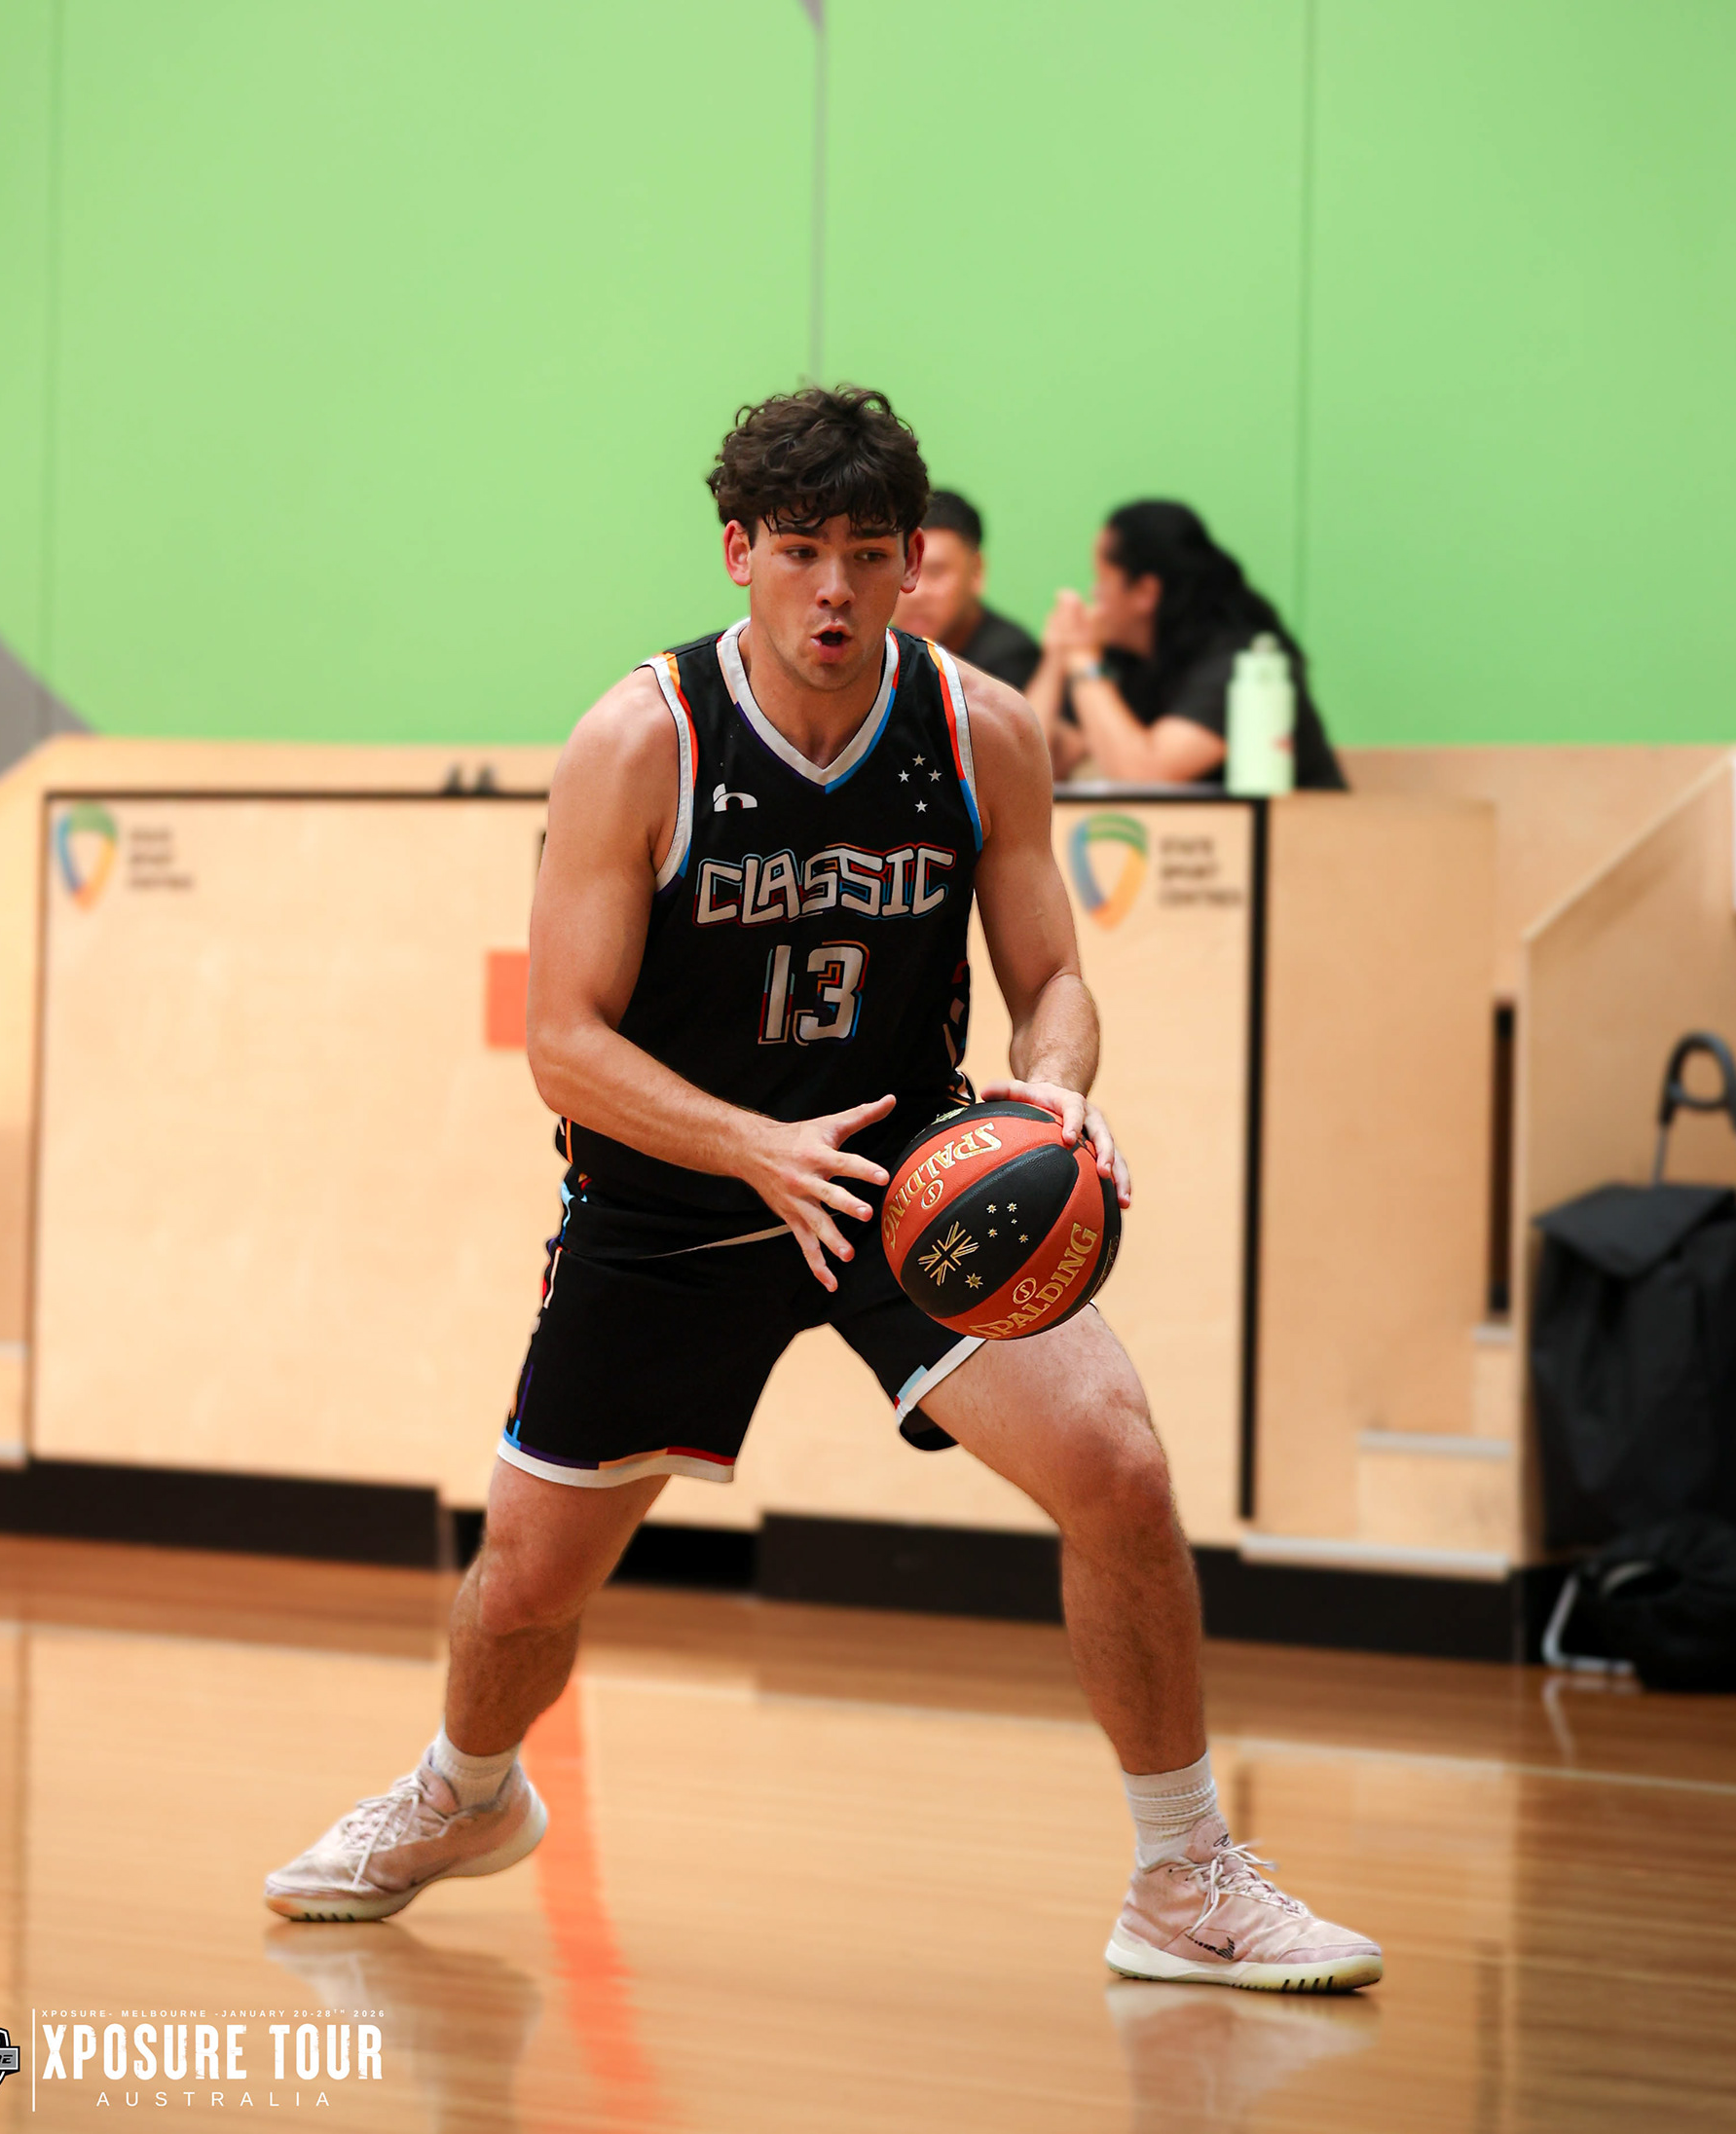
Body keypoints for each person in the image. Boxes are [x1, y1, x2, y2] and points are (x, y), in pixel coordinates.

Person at [264, 387, 1381, 1994]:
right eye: (801, 552)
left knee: (1119, 1466)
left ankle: (1184, 1874)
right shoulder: (641, 740)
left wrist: (1053, 1089)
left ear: (917, 561)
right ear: (739, 553)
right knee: (522, 1590)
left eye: (870, 552)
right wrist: (748, 1145)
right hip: (673, 1202)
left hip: (902, 1184)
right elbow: (564, 1043)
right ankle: (465, 1794)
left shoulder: (983, 729)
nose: (837, 590)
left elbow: (1054, 980)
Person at [1031, 500, 1347, 790]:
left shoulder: (1238, 661)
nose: (1094, 595)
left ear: (1145, 592)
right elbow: (1034, 764)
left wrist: (1083, 660)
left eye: (1102, 580)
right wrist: (1056, 658)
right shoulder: (1124, 660)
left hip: (1304, 828)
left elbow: (1144, 776)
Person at [891, 488, 1042, 692]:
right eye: (905, 570)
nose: (915, 593)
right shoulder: (876, 651)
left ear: (976, 572)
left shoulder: (1009, 658)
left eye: (936, 572)